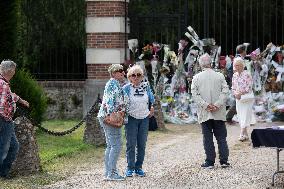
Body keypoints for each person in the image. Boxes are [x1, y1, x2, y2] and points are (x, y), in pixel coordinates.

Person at [191, 53, 230, 169]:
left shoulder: (196, 77)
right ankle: (224, 161)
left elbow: (194, 94)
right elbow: (225, 92)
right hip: (218, 111)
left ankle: (210, 161)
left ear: (200, 64)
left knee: (207, 137)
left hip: (205, 111)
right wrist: (217, 105)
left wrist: (206, 105)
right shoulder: (220, 76)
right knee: (221, 137)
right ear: (211, 63)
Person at [123, 65, 155, 177]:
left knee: (141, 144)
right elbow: (121, 102)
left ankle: (139, 167)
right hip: (131, 118)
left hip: (144, 118)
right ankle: (130, 168)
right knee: (131, 144)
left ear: (142, 76)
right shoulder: (126, 88)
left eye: (138, 75)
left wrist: (151, 107)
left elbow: (151, 98)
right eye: (133, 75)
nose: (136, 77)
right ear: (129, 77)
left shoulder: (146, 86)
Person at [0, 60, 29, 179]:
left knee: (13, 146)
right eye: (14, 70)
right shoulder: (3, 84)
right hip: (4, 120)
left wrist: (21, 101)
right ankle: (2, 174)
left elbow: (9, 95)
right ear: (10, 70)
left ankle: (3, 173)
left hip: (7, 121)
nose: (15, 72)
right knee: (3, 148)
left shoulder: (4, 84)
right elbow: (1, 105)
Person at [97, 64, 126, 181]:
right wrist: (113, 116)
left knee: (110, 145)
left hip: (105, 116)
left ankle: (108, 172)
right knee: (116, 145)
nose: (123, 73)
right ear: (114, 73)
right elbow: (110, 101)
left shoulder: (113, 83)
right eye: (120, 71)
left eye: (123, 71)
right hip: (110, 117)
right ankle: (112, 173)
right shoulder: (113, 84)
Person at [231, 57, 254, 141]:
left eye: (238, 65)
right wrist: (235, 93)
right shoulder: (234, 75)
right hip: (238, 98)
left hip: (246, 97)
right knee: (240, 115)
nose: (236, 67)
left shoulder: (247, 74)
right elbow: (233, 87)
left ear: (242, 65)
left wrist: (240, 93)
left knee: (245, 114)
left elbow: (249, 86)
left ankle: (241, 133)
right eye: (235, 65)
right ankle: (246, 134)